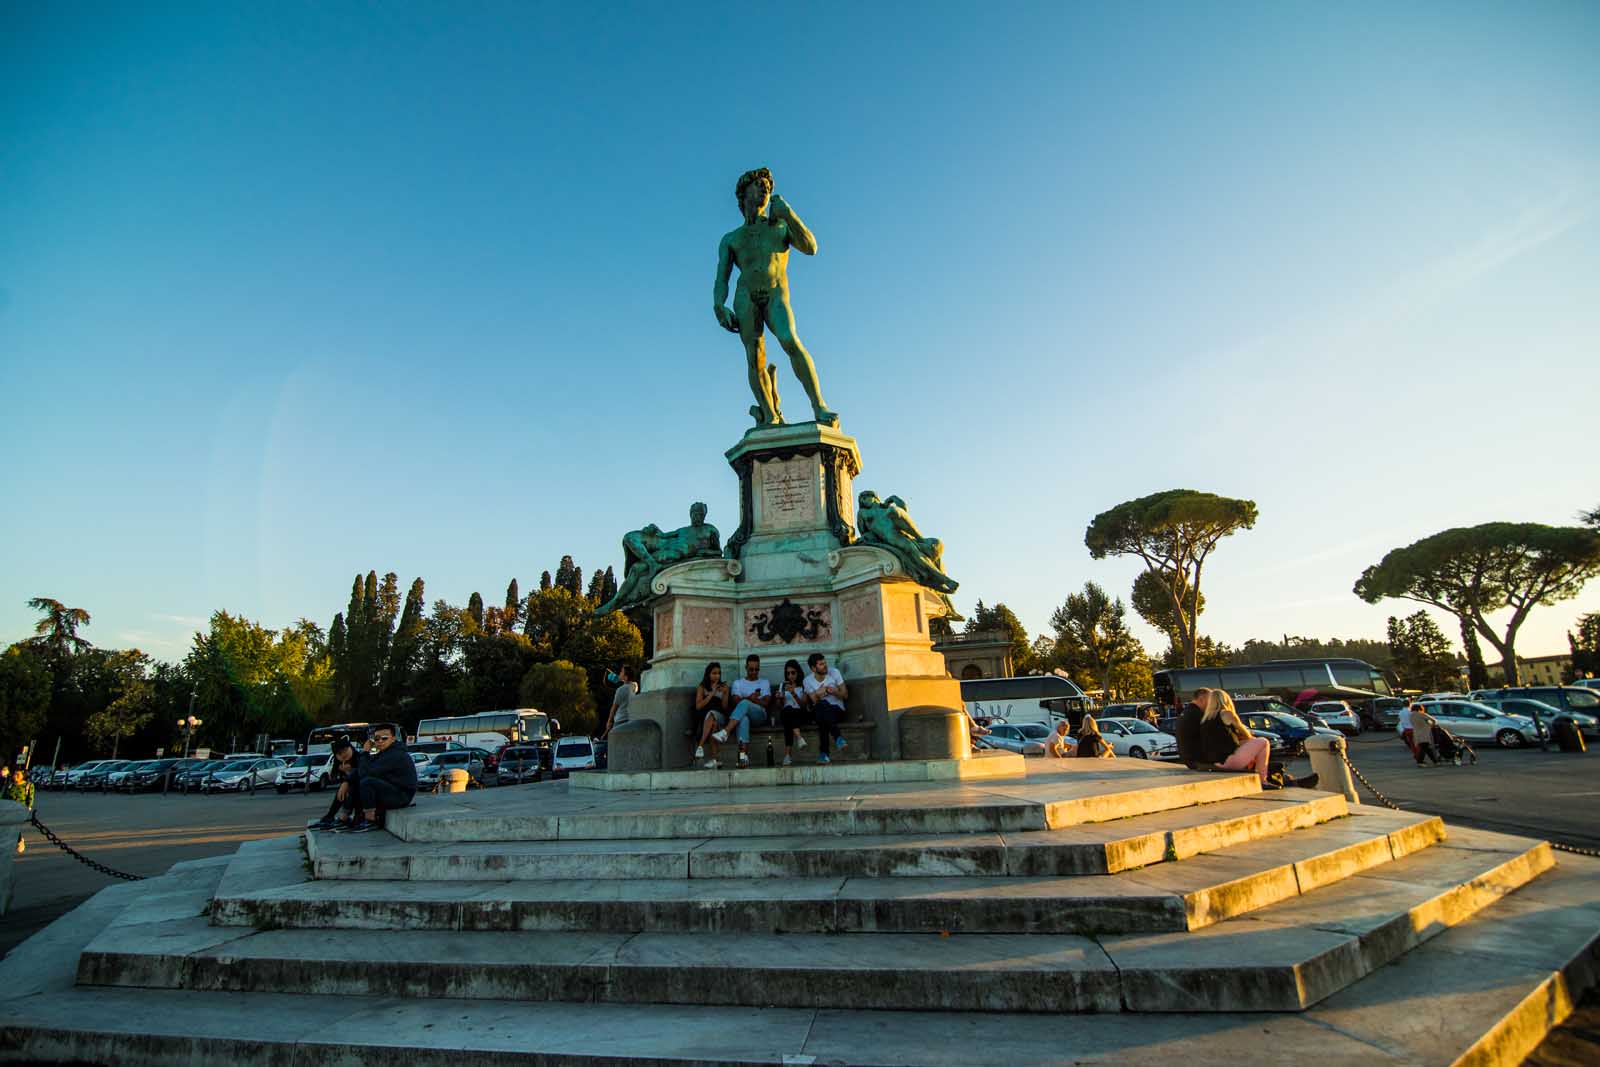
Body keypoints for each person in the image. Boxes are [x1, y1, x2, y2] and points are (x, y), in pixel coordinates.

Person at [333, 723, 417, 834]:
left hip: (401, 796)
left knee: (367, 782)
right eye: (377, 738)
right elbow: (361, 770)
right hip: (391, 790)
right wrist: (346, 781)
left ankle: (371, 820)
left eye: (384, 738)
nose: (380, 741)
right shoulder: (383, 753)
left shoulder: (395, 754)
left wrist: (365, 752)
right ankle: (344, 818)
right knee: (356, 782)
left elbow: (365, 773)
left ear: (393, 739)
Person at [715, 654, 773, 768]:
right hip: (743, 715)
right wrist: (752, 698)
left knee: (745, 703)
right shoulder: (738, 683)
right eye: (751, 669)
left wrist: (751, 700)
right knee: (743, 719)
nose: (754, 672)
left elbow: (766, 703)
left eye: (757, 669)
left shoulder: (764, 682)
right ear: (746, 668)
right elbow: (736, 702)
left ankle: (726, 731)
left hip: (759, 715)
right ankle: (743, 757)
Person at [802, 652, 848, 764]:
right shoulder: (807, 681)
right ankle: (838, 738)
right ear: (813, 668)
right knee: (821, 706)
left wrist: (833, 691)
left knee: (821, 713)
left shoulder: (834, 673)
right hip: (821, 711)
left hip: (837, 710)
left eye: (825, 663)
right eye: (821, 664)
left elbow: (845, 695)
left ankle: (824, 754)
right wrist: (819, 692)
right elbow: (814, 700)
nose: (825, 666)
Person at [309, 737, 360, 831]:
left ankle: (344, 816)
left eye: (345, 751)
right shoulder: (341, 765)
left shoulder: (360, 758)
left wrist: (347, 778)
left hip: (363, 793)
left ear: (350, 747)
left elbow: (360, 776)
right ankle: (330, 816)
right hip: (353, 794)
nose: (343, 755)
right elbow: (335, 778)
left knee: (348, 788)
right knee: (342, 790)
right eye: (339, 754)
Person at [692, 663, 732, 768]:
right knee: (712, 723)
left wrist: (724, 694)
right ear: (708, 674)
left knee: (712, 715)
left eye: (719, 673)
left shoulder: (724, 687)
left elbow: (725, 707)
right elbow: (698, 706)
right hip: (705, 717)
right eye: (714, 673)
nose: (717, 676)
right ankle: (714, 760)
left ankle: (700, 746)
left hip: (721, 716)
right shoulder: (702, 687)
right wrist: (712, 694)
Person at [776, 659, 810, 766]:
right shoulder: (783, 685)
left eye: (793, 672)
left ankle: (787, 756)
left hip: (800, 714)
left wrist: (793, 693)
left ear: (798, 672)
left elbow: (804, 706)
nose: (790, 675)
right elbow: (779, 707)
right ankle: (799, 737)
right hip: (786, 713)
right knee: (788, 710)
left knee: (789, 719)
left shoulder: (803, 685)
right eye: (788, 673)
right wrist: (779, 698)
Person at [1175, 688, 1212, 770]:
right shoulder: (1197, 714)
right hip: (1199, 760)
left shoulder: (1186, 712)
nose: (1211, 704)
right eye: (1210, 700)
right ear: (1201, 699)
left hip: (1189, 759)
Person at [600, 665, 637, 739]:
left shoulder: (620, 690)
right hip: (630, 719)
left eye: (621, 672)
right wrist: (621, 679)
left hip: (620, 721)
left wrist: (609, 722)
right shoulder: (635, 686)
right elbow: (629, 683)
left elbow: (614, 707)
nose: (619, 674)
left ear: (626, 677)